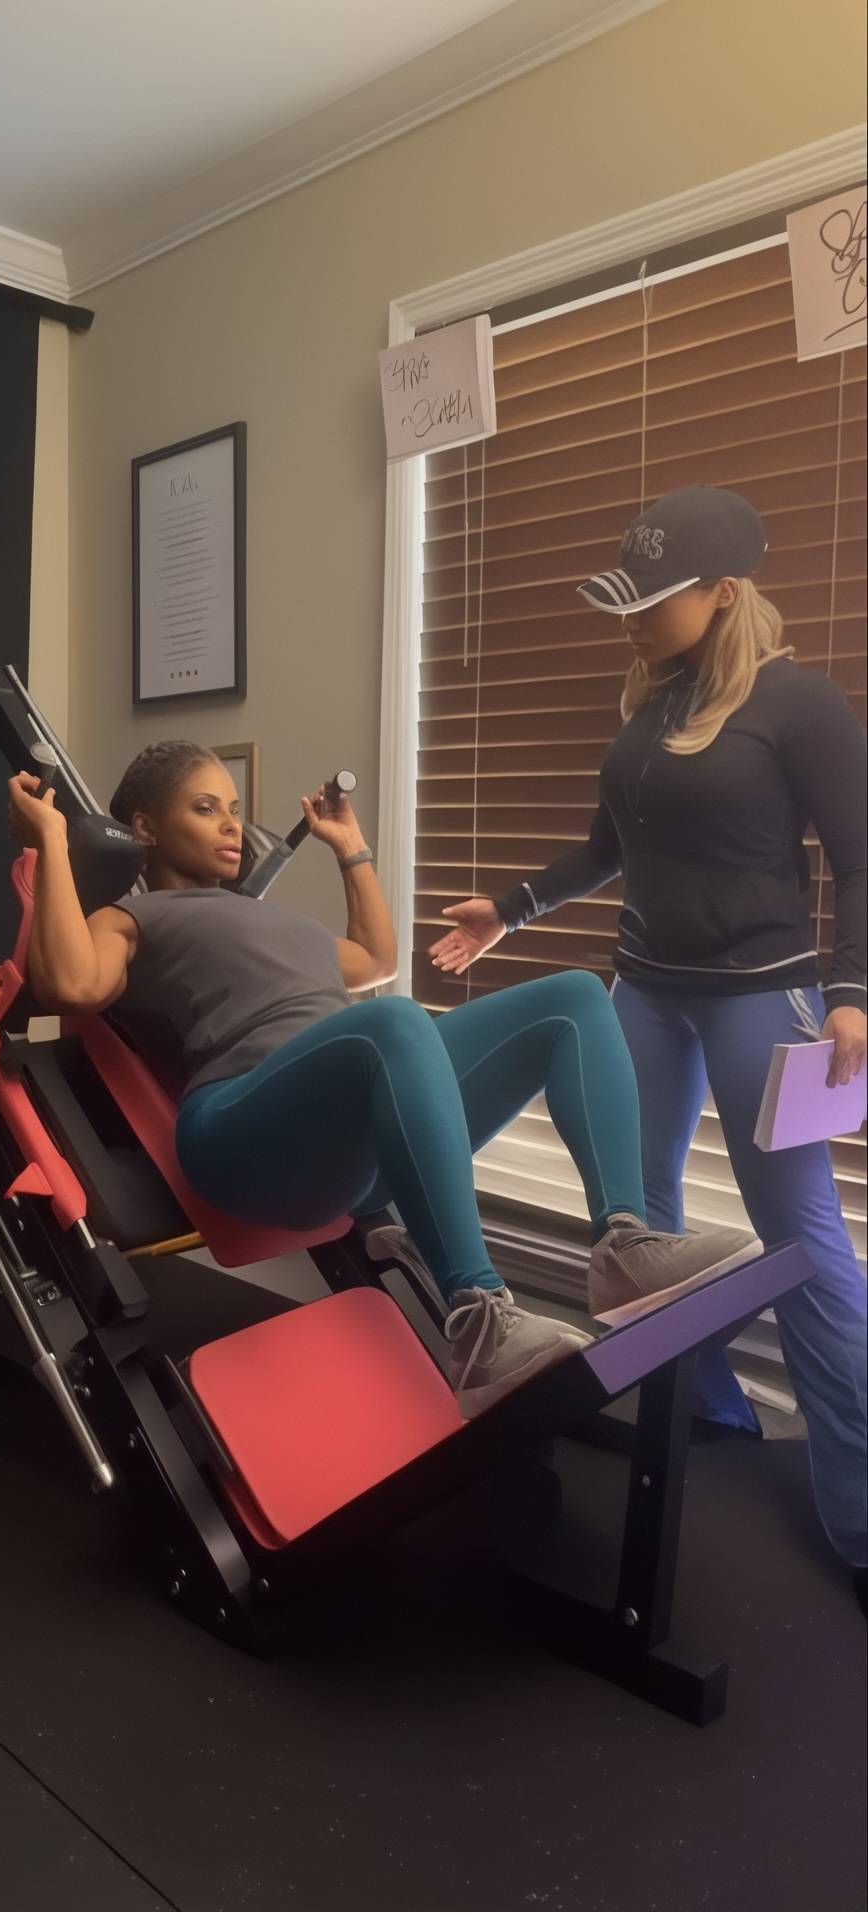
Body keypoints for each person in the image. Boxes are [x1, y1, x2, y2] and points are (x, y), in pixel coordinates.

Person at [8, 738, 757, 1420]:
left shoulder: (277, 921)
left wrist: (351, 851)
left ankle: (622, 1242)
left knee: (572, 998)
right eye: (206, 810)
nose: (233, 826)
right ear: (144, 828)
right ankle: (479, 1315)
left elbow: (373, 959)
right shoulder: (138, 919)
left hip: (354, 1151)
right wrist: (52, 845)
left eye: (235, 810)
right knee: (398, 1022)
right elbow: (69, 985)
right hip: (240, 1134)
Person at [430, 483, 867, 1573]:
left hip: (757, 997)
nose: (628, 620)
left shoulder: (798, 704)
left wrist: (853, 990)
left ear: (721, 595)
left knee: (801, 1241)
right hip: (644, 992)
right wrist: (508, 909)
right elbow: (607, 847)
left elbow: (860, 859)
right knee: (642, 1227)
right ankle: (707, 1410)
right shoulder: (649, 711)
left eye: (650, 601)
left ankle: (860, 1517)